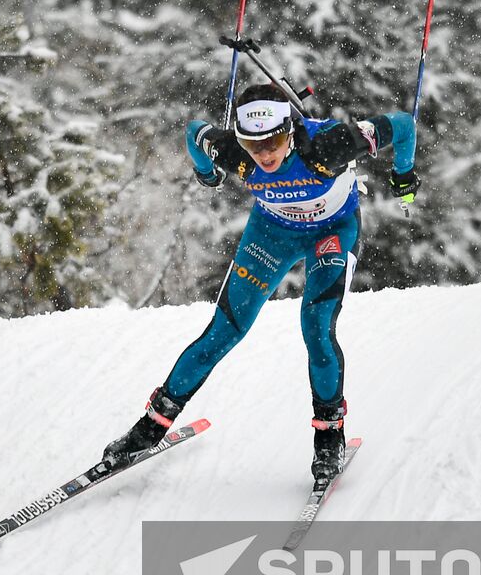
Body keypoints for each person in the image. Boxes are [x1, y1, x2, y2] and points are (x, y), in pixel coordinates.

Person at [102, 83, 418, 483]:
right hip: (272, 233)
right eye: (254, 146)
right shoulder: (234, 151)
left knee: (316, 327)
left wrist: (403, 172)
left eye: (273, 142)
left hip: (332, 232)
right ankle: (150, 427)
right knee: (223, 330)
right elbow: (194, 132)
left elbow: (403, 125)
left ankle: (329, 435)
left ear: (291, 129)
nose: (264, 155)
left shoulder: (331, 145)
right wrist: (206, 172)